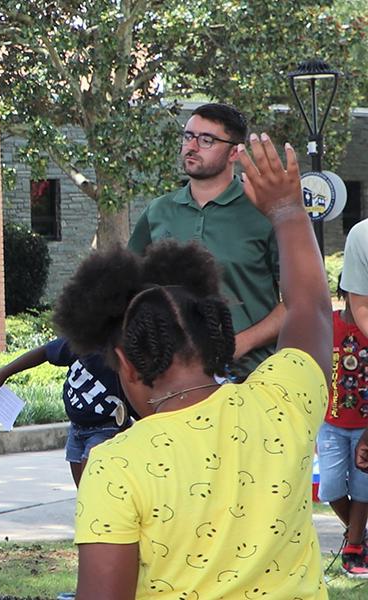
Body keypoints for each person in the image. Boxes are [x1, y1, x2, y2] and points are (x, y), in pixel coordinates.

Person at [65, 134, 329, 598]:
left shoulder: (115, 465)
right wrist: (287, 210)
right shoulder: (283, 400)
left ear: (126, 364)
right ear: (218, 338)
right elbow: (310, 307)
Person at [128, 103, 282, 380]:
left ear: (235, 151)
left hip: (251, 378)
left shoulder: (263, 211)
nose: (192, 146)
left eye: (207, 139)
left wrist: (242, 342)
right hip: (173, 381)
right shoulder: (158, 211)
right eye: (188, 136)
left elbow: (299, 302)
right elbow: (127, 288)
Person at [0, 337, 131, 486]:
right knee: (84, 489)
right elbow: (44, 352)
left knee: (92, 481)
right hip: (77, 428)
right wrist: (2, 374)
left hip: (108, 428)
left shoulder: (121, 349)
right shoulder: (79, 341)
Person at [323, 278, 368, 577]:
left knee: (364, 490)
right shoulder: (328, 325)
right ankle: (360, 537)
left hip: (365, 427)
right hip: (330, 423)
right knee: (330, 487)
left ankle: (353, 550)